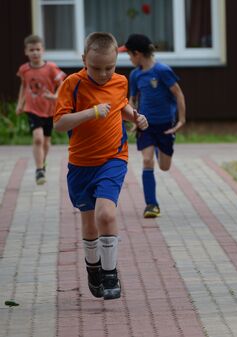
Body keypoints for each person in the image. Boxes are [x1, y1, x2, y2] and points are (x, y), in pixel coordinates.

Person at [54, 32, 148, 300]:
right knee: (89, 223)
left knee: (105, 215)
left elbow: (121, 106)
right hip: (81, 164)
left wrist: (135, 117)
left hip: (113, 158)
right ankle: (93, 267)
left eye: (110, 67)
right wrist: (92, 112)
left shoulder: (120, 81)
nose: (104, 74)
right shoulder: (71, 84)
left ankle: (110, 274)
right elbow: (59, 124)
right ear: (84, 59)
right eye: (96, 68)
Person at [121, 34, 186, 219]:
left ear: (138, 53)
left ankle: (160, 148)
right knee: (147, 161)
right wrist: (134, 120)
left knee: (164, 167)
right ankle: (151, 204)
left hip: (166, 125)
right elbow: (133, 100)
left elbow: (179, 95)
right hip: (146, 125)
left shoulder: (162, 70)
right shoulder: (135, 75)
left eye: (129, 55)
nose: (129, 59)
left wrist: (182, 120)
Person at [16, 34, 66, 185]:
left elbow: (63, 83)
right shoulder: (24, 69)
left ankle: (42, 163)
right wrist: (20, 103)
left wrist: (55, 96)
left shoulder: (50, 68)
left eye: (38, 49)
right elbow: (24, 86)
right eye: (32, 50)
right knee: (37, 139)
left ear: (43, 50)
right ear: (26, 51)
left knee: (46, 142)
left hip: (49, 110)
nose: (35, 53)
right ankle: (39, 170)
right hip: (32, 108)